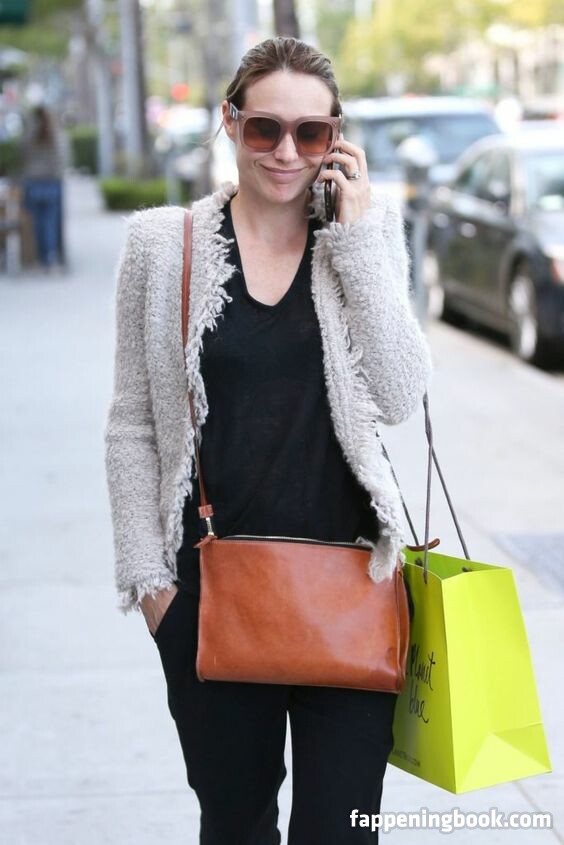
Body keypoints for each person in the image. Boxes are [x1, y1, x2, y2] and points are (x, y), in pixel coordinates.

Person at [104, 36, 433, 845]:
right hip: (212, 598)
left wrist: (356, 239)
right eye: (265, 128)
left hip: (353, 589)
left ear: (336, 140)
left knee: (342, 830)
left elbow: (400, 393)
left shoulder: (364, 239)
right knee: (237, 825)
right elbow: (133, 421)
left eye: (311, 132)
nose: (287, 151)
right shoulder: (162, 246)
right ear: (230, 121)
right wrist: (154, 589)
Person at [20, 104, 65, 271]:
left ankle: (41, 256)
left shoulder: (30, 135)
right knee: (50, 222)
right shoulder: (55, 135)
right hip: (51, 182)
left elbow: (22, 152)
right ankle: (49, 256)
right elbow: (61, 159)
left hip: (33, 182)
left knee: (37, 223)